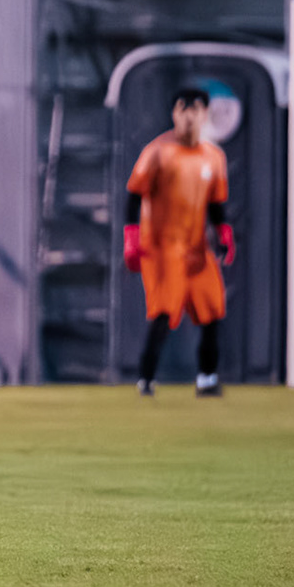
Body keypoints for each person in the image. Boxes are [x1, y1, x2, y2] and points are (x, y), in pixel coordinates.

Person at [124, 86, 235, 398]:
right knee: (163, 313)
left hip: (196, 248)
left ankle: (207, 379)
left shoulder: (213, 157)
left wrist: (223, 232)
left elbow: (215, 202)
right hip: (162, 247)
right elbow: (134, 194)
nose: (188, 116)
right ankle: (146, 380)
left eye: (195, 109)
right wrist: (131, 237)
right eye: (182, 108)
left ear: (205, 114)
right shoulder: (158, 152)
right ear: (174, 114)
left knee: (213, 312)